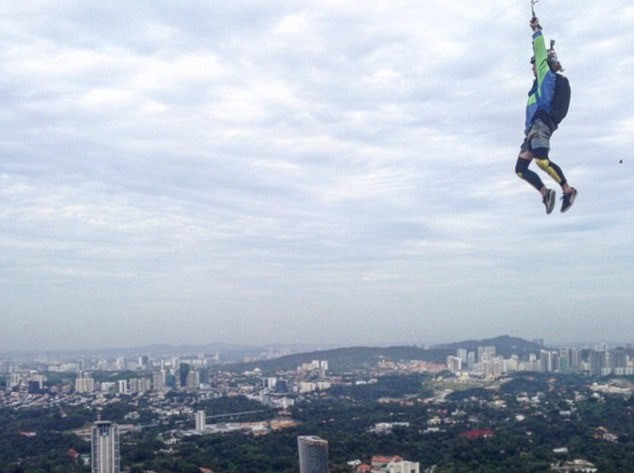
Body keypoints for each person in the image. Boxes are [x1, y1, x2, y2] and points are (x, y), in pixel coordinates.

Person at [515, 16, 578, 214]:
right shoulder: (536, 86)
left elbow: (540, 51)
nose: (533, 67)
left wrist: (536, 30)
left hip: (541, 125)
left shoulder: (545, 75)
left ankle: (568, 190)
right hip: (533, 129)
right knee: (520, 168)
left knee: (542, 161)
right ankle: (545, 193)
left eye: (534, 63)